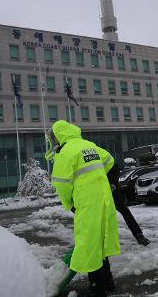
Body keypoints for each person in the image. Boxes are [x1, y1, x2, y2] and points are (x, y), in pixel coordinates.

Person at [48, 120, 120, 296]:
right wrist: (111, 184)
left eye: (53, 138)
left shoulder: (65, 153)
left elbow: (62, 185)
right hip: (104, 200)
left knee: (89, 244)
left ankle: (98, 287)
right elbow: (112, 163)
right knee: (101, 241)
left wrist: (70, 205)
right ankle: (108, 281)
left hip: (88, 203)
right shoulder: (88, 145)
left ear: (58, 135)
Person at [106, 164, 151, 246]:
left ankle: (139, 235)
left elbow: (116, 167)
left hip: (113, 191)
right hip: (99, 193)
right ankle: (104, 240)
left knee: (125, 212)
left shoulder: (102, 156)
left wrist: (113, 183)